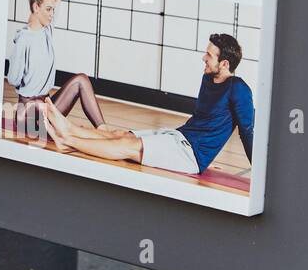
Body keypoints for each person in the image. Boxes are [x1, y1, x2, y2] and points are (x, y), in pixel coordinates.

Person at [42, 33, 254, 177]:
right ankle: (68, 128)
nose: (203, 58)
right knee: (122, 135)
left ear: (224, 64)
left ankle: (67, 140)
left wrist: (203, 159)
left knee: (129, 148)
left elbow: (247, 132)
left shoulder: (239, 90)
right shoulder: (208, 78)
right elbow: (203, 122)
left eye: (209, 55)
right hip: (180, 138)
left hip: (190, 155)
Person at [8, 0, 106, 138]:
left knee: (81, 80)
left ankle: (104, 131)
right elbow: (13, 79)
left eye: (53, 9)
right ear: (36, 7)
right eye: (48, 9)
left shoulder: (47, 30)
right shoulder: (23, 39)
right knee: (46, 110)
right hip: (29, 115)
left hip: (47, 106)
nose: (52, 14)